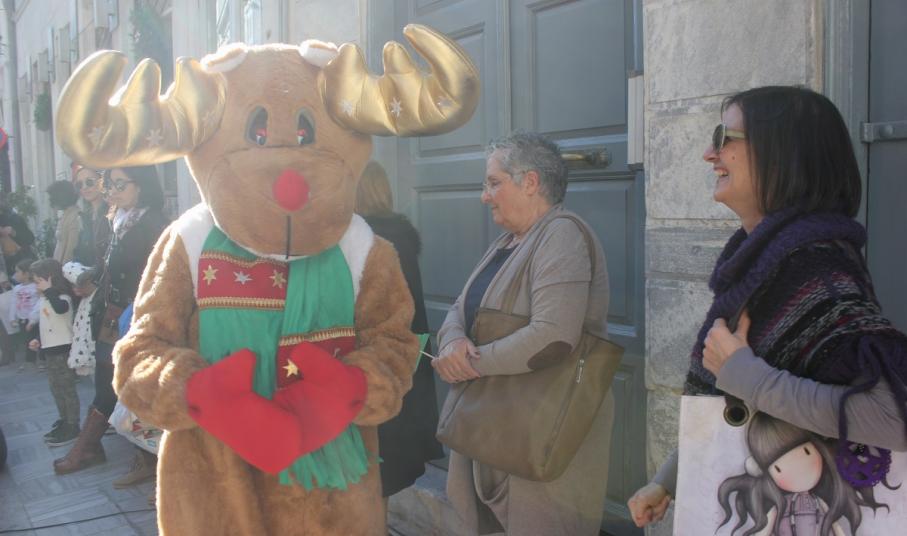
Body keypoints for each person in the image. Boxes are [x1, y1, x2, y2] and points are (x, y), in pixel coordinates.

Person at [628, 86, 907, 529]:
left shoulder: (817, 267)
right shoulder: (763, 261)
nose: (709, 154)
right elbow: (736, 402)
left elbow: (894, 418)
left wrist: (747, 375)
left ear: (782, 155)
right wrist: (669, 480)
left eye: (724, 138)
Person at [434, 132, 614, 535]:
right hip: (496, 419)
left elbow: (553, 336)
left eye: (493, 183)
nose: (484, 196)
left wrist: (469, 364)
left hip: (542, 424)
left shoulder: (562, 234)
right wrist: (452, 342)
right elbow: (459, 308)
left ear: (530, 182)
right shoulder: (507, 242)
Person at [54, 165, 169, 475]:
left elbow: (163, 276)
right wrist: (89, 279)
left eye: (120, 184)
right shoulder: (117, 219)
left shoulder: (155, 223)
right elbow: (109, 265)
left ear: (141, 185)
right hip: (112, 314)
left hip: (139, 316)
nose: (112, 191)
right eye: (110, 185)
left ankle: (137, 457)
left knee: (135, 384)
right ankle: (96, 449)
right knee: (109, 381)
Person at [355, 161, 445, 501]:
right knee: (383, 476)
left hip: (377, 362)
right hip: (404, 362)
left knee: (372, 471)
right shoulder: (397, 235)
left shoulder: (366, 241)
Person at [28, 258, 78, 447]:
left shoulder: (62, 298)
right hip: (50, 351)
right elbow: (47, 323)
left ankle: (73, 425)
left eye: (38, 281)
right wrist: (38, 340)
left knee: (67, 389)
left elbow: (60, 310)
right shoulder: (45, 299)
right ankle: (64, 420)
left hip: (62, 351)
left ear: (50, 278)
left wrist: (49, 290)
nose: (36, 285)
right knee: (56, 389)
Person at [71, 166, 110, 268]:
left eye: (89, 182)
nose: (84, 187)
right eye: (79, 184)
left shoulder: (112, 213)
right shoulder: (84, 217)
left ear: (102, 182)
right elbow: (79, 251)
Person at [46, 181, 81, 264]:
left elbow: (71, 248)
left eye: (52, 197)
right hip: (58, 264)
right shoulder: (66, 214)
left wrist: (62, 268)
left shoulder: (75, 216)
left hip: (65, 267)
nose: (50, 200)